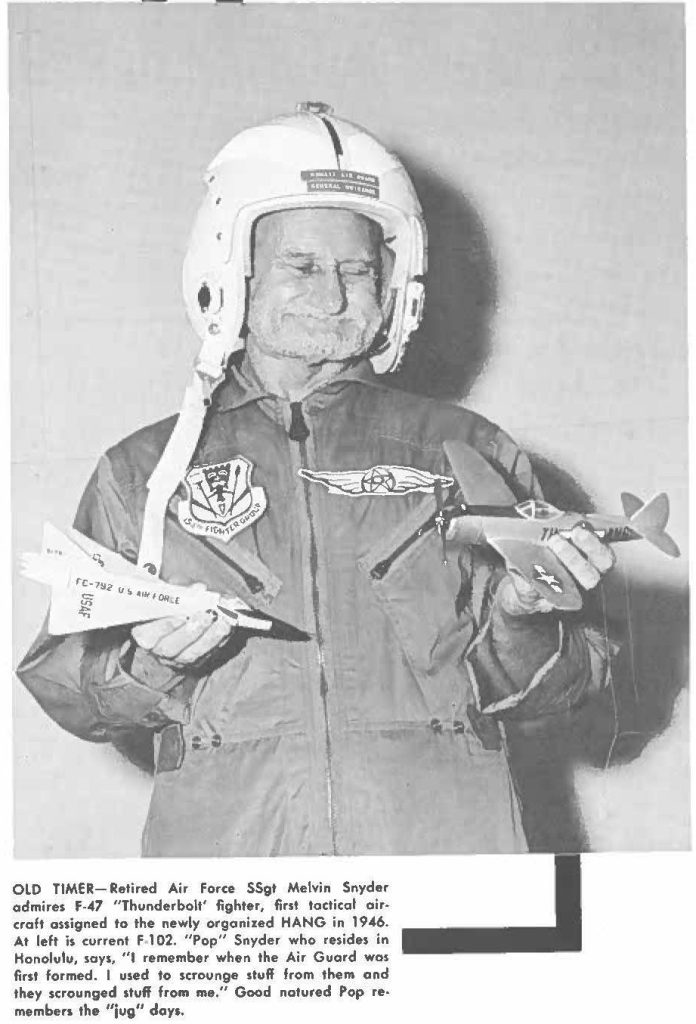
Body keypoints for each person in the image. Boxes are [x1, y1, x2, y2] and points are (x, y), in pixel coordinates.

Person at [17, 102, 615, 857]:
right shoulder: (142, 471)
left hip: (445, 850)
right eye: (302, 267)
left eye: (357, 270)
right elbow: (68, 686)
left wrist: (525, 617)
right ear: (232, 269)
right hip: (234, 865)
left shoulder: (466, 450)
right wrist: (151, 661)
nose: (333, 296)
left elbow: (567, 689)